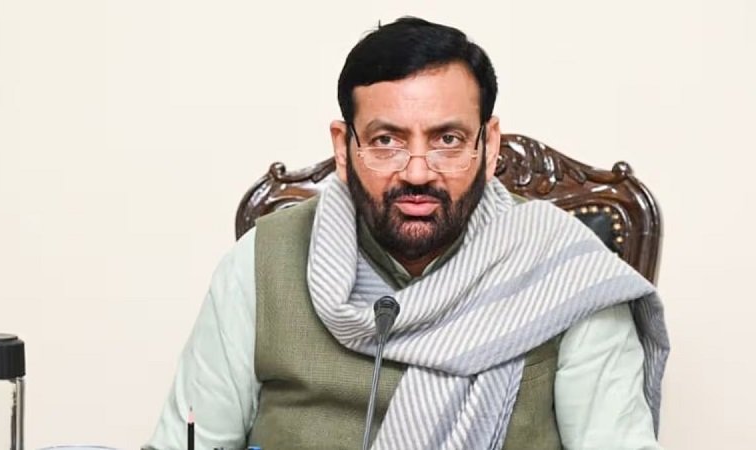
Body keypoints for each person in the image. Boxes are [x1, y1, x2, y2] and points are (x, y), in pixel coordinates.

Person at [143, 17, 669, 450]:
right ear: (344, 148)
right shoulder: (260, 263)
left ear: (489, 145)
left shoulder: (567, 271)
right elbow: (187, 442)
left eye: (448, 139)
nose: (417, 172)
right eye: (386, 140)